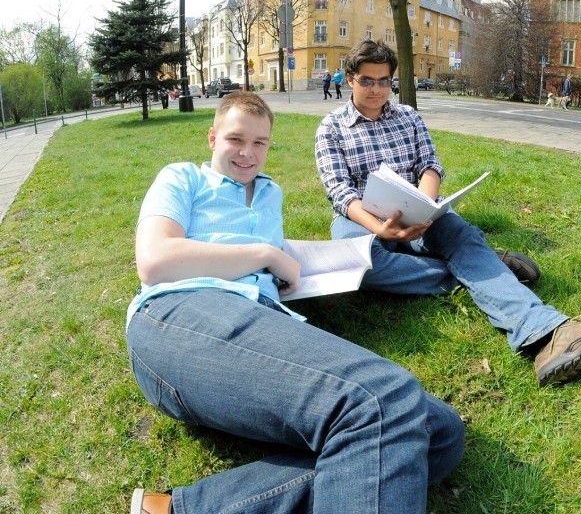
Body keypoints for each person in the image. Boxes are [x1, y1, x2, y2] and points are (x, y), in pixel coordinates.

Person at [126, 92, 465, 514]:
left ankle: (184, 509)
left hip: (260, 317)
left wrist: (295, 263)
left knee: (437, 430)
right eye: (235, 140)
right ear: (212, 138)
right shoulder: (181, 178)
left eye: (259, 143)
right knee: (382, 400)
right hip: (180, 315)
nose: (247, 153)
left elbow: (266, 247)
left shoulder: (269, 194)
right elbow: (155, 261)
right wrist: (266, 256)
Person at [315, 40, 581, 387]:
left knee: (461, 235)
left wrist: (424, 208)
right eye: (367, 80)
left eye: (384, 81)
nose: (377, 89)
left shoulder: (407, 116)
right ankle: (485, 267)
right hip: (361, 220)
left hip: (417, 213)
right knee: (359, 267)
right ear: (349, 78)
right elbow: (341, 193)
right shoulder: (331, 128)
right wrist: (382, 231)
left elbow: (429, 165)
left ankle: (549, 335)